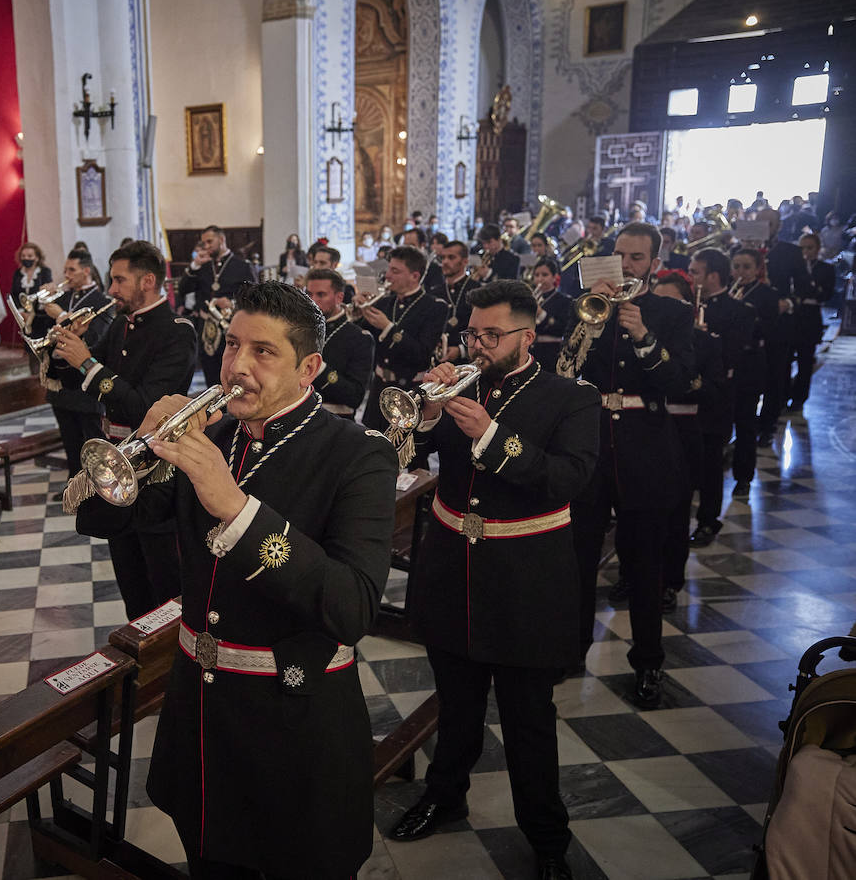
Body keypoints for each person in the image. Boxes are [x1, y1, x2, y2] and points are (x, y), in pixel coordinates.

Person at [75, 280, 398, 879]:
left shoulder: (358, 455)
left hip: (294, 729)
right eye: (230, 347)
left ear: (309, 368)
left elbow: (353, 609)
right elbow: (101, 519)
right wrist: (138, 445)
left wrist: (238, 510)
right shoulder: (215, 435)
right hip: (201, 721)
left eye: (262, 352)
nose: (237, 367)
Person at [393, 281, 599, 880]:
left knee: (527, 716)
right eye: (472, 333)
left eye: (491, 335)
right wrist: (427, 417)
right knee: (455, 701)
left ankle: (547, 837)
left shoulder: (569, 399)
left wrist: (487, 434)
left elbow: (567, 479)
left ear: (527, 337)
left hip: (526, 579)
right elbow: (413, 455)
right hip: (452, 565)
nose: (477, 345)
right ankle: (444, 794)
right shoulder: (461, 382)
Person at [563, 222, 695, 708]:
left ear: (654, 263)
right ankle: (572, 650)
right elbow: (564, 372)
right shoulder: (586, 309)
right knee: (577, 559)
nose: (627, 266)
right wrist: (589, 325)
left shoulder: (671, 314)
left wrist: (641, 332)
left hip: (646, 448)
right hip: (591, 446)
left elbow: (680, 382)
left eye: (637, 258)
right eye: (620, 255)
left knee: (643, 566)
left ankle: (647, 664)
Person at [53, 241, 197, 619]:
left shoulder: (176, 332)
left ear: (148, 280)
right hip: (113, 466)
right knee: (128, 574)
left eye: (119, 280)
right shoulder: (121, 324)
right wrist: (65, 347)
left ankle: (166, 665)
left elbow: (144, 407)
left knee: (163, 581)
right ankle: (137, 657)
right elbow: (78, 377)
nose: (111, 289)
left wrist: (87, 362)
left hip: (154, 472)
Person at [653, 271, 728, 612]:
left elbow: (715, 393)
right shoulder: (639, 339)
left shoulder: (707, 342)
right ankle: (632, 574)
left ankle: (670, 580)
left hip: (684, 432)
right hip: (646, 429)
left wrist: (689, 382)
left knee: (676, 510)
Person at [687, 249, 756, 544]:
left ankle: (707, 520)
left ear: (713, 276)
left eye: (695, 272)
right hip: (681, 395)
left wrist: (704, 337)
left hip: (715, 397)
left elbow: (732, 357)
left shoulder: (739, 311)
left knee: (711, 461)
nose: (690, 278)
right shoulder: (683, 306)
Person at [41, 249, 115, 473]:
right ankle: (74, 487)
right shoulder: (62, 298)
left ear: (86, 271)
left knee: (92, 444)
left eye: (71, 270)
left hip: (86, 387)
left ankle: (96, 492)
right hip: (61, 384)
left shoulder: (101, 301)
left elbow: (97, 341)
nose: (66, 274)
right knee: (70, 442)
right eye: (65, 270)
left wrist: (63, 316)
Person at [358, 246, 447, 430]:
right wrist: (359, 310)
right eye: (389, 269)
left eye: (395, 271)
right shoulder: (384, 302)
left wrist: (388, 328)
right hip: (379, 390)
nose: (388, 276)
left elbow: (422, 353)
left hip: (409, 391)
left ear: (415, 276)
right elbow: (359, 335)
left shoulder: (434, 307)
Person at [178, 225, 255, 387]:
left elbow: (254, 296)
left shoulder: (242, 266)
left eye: (209, 241)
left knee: (230, 372)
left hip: (231, 328)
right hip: (206, 329)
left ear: (221, 240)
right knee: (210, 375)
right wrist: (194, 266)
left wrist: (232, 303)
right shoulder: (203, 266)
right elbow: (184, 289)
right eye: (204, 242)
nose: (206, 246)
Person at [730, 248, 784, 450]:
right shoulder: (725, 290)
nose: (740, 272)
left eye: (746, 267)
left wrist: (744, 314)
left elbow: (769, 328)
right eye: (736, 267)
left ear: (757, 269)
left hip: (751, 358)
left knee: (746, 418)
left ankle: (744, 475)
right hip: (726, 358)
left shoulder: (767, 294)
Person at [304, 267, 374, 420]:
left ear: (339, 298)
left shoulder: (359, 338)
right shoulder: (299, 330)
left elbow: (355, 397)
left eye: (321, 295)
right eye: (309, 294)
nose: (312, 301)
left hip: (336, 421)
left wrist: (319, 368)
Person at [784, 233, 836, 412]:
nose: (805, 252)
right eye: (802, 248)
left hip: (810, 317)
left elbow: (826, 294)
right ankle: (782, 395)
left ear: (818, 249)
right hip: (791, 316)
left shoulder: (825, 268)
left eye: (809, 248)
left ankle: (799, 398)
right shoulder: (791, 267)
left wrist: (812, 287)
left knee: (805, 361)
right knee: (784, 360)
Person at [432, 240, 482, 363]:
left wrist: (461, 350)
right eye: (442, 258)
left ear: (465, 261)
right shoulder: (434, 292)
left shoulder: (478, 290)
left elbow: (483, 329)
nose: (445, 262)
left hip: (465, 362)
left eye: (451, 257)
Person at [531, 259, 573, 369]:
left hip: (551, 353)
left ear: (554, 277)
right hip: (531, 352)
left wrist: (540, 313)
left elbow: (562, 329)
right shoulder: (531, 298)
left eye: (545, 275)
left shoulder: (564, 300)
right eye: (536, 275)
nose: (540, 279)